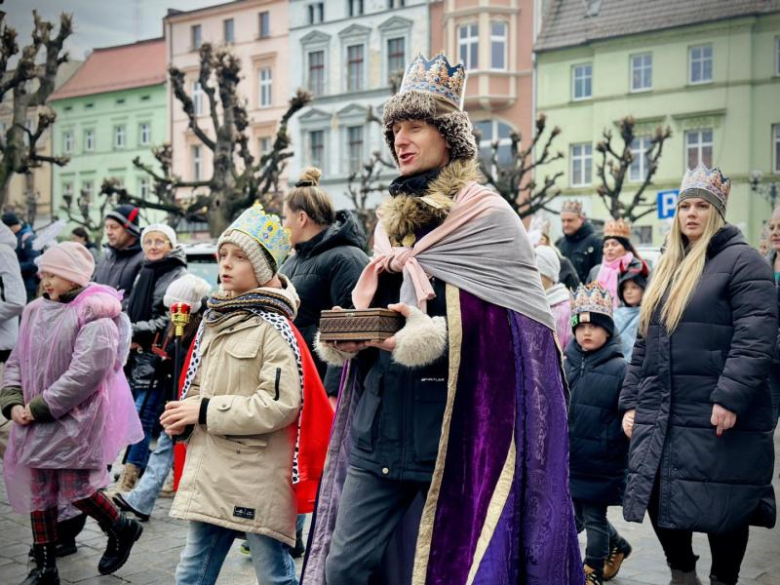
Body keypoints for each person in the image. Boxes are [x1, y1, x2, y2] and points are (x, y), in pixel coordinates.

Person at [303, 53, 582, 584]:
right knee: (343, 569)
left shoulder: (488, 217)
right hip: (379, 432)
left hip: (454, 436)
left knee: (446, 567)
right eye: (394, 131)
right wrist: (352, 334)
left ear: (448, 137)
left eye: (414, 126)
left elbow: (519, 343)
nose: (400, 140)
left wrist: (428, 336)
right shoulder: (388, 226)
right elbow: (381, 315)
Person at [620, 165, 777, 585]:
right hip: (662, 410)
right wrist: (630, 401)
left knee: (723, 502)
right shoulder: (668, 267)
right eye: (685, 205)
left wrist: (729, 398)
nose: (691, 213)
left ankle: (724, 579)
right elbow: (642, 345)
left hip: (713, 409)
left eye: (701, 206)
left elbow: (756, 336)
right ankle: (682, 574)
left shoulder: (745, 262)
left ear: (717, 213)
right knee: (657, 494)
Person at [161, 203, 331, 585]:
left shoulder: (275, 329)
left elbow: (279, 405)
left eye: (239, 257)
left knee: (274, 574)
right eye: (223, 255)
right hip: (214, 466)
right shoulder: (215, 319)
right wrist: (184, 413)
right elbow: (200, 382)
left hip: (256, 473)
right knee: (191, 570)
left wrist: (202, 409)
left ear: (262, 269)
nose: (225, 264)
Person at [0, 242, 144, 584]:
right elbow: (18, 359)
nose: (44, 280)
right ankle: (45, 567)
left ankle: (121, 527)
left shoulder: (95, 315)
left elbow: (85, 374)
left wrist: (38, 407)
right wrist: (12, 399)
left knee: (76, 487)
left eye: (53, 274)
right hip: (34, 416)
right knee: (40, 489)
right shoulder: (35, 310)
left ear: (73, 277)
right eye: (43, 273)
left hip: (75, 420)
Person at [113, 273, 211, 522]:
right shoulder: (176, 325)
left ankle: (143, 499)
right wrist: (157, 353)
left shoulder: (201, 328)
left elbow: (190, 361)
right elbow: (166, 351)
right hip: (175, 395)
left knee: (169, 448)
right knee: (168, 449)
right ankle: (142, 499)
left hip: (187, 398)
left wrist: (170, 353)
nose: (171, 312)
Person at [280, 167, 369, 404]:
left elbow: (351, 328)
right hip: (293, 384)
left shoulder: (347, 258)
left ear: (301, 218)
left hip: (323, 389)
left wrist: (333, 393)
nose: (282, 224)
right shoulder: (290, 261)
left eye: (284, 217)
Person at [565, 283, 631, 584]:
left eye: (594, 326)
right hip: (572, 457)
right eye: (580, 326)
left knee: (593, 517)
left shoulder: (620, 369)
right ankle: (617, 544)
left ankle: (592, 569)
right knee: (578, 515)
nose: (586, 332)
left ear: (607, 330)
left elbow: (628, 410)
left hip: (602, 460)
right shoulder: (567, 364)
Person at [115, 223, 187, 495]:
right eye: (149, 241)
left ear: (171, 245)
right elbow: (132, 307)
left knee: (143, 419)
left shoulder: (176, 273)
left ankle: (130, 480)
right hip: (136, 357)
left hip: (159, 359)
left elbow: (169, 318)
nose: (154, 246)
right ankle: (144, 473)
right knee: (137, 418)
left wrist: (133, 330)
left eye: (160, 241)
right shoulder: (144, 271)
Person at [0, 222, 25, 456]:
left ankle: (31, 475)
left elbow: (17, 300)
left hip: (2, 349)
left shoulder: (3, 251)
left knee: (2, 425)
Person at [93, 204, 144, 306]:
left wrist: (107, 310)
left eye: (114, 227)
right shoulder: (105, 257)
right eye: (106, 227)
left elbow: (137, 301)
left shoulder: (143, 259)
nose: (108, 232)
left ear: (130, 229)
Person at [586, 218, 639, 306]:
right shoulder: (595, 271)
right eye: (606, 245)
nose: (609, 248)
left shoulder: (635, 268)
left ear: (625, 248)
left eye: (614, 244)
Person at [556, 200, 603, 283]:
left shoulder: (596, 243)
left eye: (570, 220)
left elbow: (599, 273)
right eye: (563, 221)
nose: (565, 224)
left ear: (581, 219)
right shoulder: (559, 243)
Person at [535, 244, 572, 349]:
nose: (535, 279)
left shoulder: (566, 307)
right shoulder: (526, 302)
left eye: (539, 274)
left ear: (550, 275)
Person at [613, 258, 649, 363]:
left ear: (644, 289)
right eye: (625, 288)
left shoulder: (648, 315)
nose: (628, 292)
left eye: (634, 287)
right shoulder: (615, 315)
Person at [530, 215, 580, 290]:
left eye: (540, 239)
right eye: (532, 240)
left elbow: (574, 289)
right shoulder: (528, 261)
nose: (535, 243)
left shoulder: (562, 263)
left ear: (546, 240)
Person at [2, 211, 41, 302]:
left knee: (24, 313)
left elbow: (33, 263)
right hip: (15, 283)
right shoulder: (15, 237)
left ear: (11, 226)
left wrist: (12, 267)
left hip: (27, 285)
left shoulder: (28, 239)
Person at [765, 206, 780, 424]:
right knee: (766, 422)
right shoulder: (761, 265)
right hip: (768, 361)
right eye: (772, 227)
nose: (775, 232)